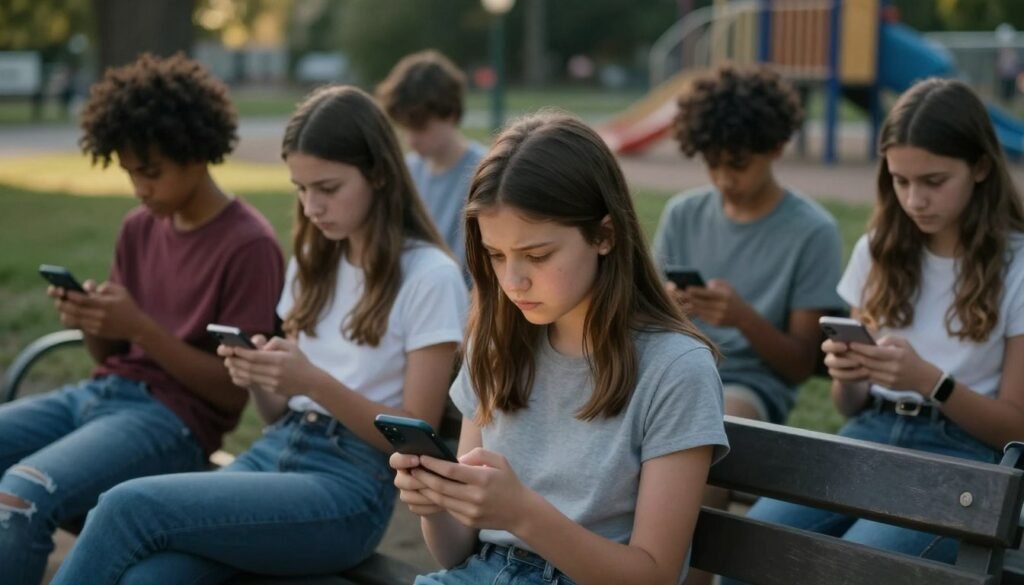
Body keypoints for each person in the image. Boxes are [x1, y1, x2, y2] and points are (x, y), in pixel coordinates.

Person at [51, 85, 469, 582]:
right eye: (300, 188)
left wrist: (311, 381)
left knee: (126, 504)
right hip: (278, 453)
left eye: (328, 188)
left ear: (378, 173)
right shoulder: (315, 262)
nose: (312, 205)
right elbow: (275, 413)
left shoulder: (429, 275)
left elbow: (416, 432)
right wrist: (256, 372)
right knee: (153, 576)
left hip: (349, 487)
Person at [391, 113, 730, 585]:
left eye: (537, 255)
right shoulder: (496, 345)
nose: (513, 280)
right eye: (495, 256)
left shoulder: (674, 369)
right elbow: (455, 554)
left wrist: (523, 513)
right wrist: (436, 505)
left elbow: (653, 576)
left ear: (605, 235)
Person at [0, 53, 285, 585]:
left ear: (198, 153)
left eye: (150, 173)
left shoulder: (249, 245)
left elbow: (228, 395)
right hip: (97, 396)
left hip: (172, 423)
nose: (139, 188)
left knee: (24, 493)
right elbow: (110, 359)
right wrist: (93, 321)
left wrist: (138, 327)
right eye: (130, 172)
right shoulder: (138, 227)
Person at [725, 78, 1024, 580]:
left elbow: (1016, 427)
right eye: (900, 181)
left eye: (933, 181)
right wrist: (849, 373)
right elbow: (850, 407)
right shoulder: (879, 249)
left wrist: (931, 381)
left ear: (980, 167)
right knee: (744, 553)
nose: (914, 200)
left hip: (964, 461)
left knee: (851, 568)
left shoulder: (1016, 264)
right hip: (870, 435)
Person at [376, 49, 486, 271]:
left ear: (451, 114)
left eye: (420, 127)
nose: (411, 139)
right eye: (405, 128)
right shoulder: (407, 171)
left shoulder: (485, 174)